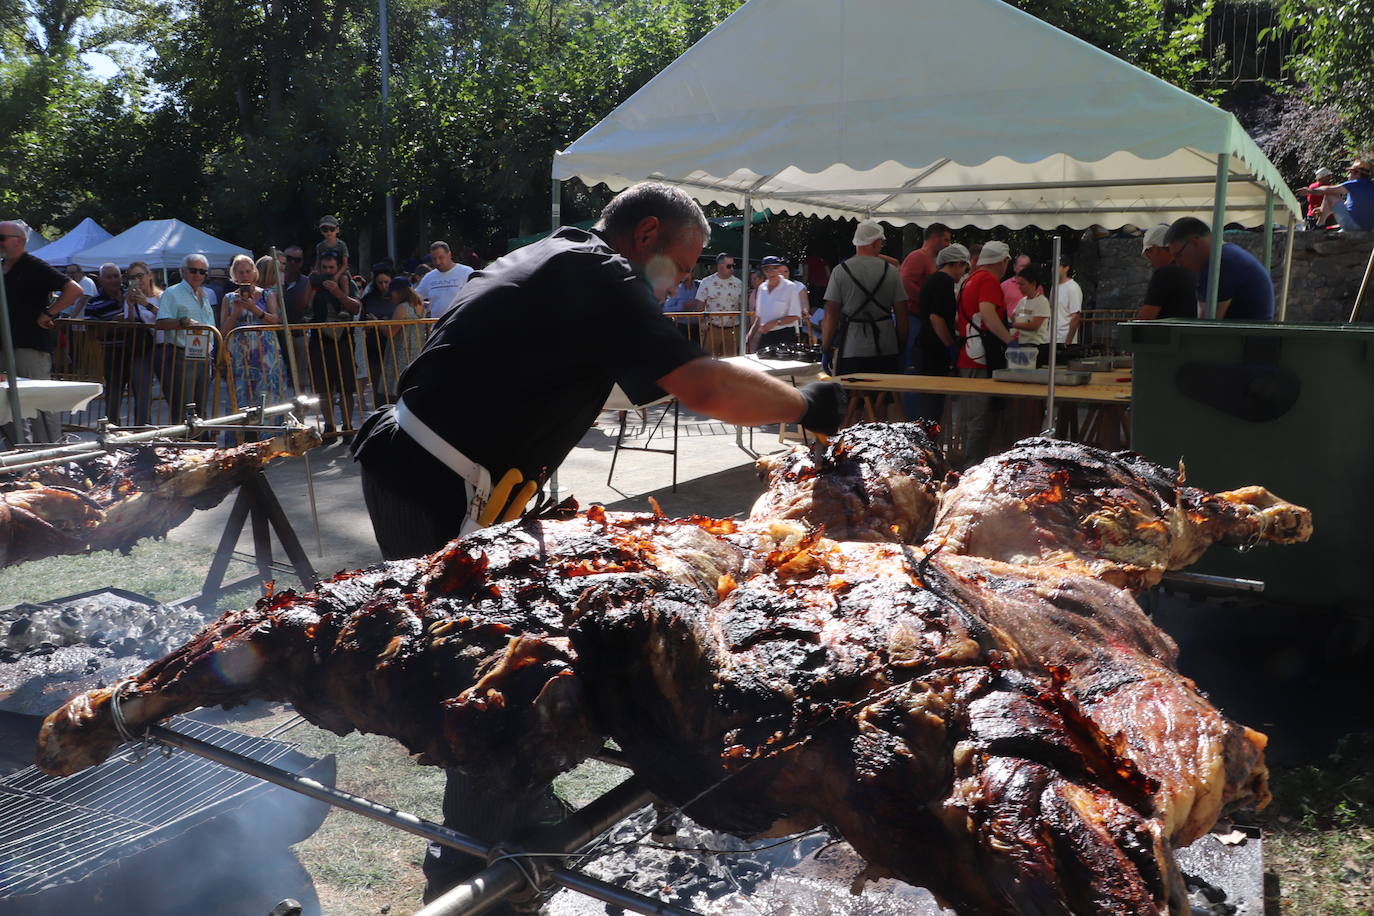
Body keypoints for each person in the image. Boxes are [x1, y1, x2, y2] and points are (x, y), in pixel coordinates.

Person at [348, 181, 845, 909]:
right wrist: (806, 405)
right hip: (434, 478)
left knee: (498, 651)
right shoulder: (599, 273)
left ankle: (512, 812)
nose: (685, 280)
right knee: (486, 669)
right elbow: (702, 387)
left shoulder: (555, 261)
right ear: (646, 235)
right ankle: (469, 869)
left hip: (433, 468)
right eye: (685, 261)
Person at [0, 220, 83, 444]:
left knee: (38, 401)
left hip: (30, 346)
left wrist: (50, 313)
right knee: (5, 404)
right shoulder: (2, 268)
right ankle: (22, 453)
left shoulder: (34, 265)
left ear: (19, 241)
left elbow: (74, 289)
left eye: (1, 238)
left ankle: (51, 455)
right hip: (4, 347)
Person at [955, 240, 1015, 465]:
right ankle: (973, 467)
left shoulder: (968, 280)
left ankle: (967, 463)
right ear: (1003, 260)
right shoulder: (989, 280)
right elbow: (988, 314)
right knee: (981, 417)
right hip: (981, 356)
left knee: (970, 416)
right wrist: (1010, 340)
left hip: (966, 353)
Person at [822, 220, 907, 374]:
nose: (881, 247)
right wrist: (901, 345)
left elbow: (830, 314)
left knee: (853, 396)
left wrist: (825, 348)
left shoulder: (840, 271)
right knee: (885, 396)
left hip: (852, 347)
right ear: (875, 243)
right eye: (881, 243)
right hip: (886, 346)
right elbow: (902, 314)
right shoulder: (892, 272)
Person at [220, 255, 287, 430]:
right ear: (234, 274)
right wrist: (236, 312)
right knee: (241, 396)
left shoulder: (267, 294)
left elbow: (276, 321)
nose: (244, 275)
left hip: (266, 355)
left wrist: (254, 309)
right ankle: (242, 440)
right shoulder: (228, 298)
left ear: (254, 272)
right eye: (240, 272)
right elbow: (223, 331)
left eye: (248, 271)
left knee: (268, 396)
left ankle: (272, 438)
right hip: (240, 357)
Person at [1164, 217, 1274, 321]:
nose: (1178, 264)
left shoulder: (1220, 265)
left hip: (1246, 339)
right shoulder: (1228, 256)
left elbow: (1204, 327)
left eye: (1178, 255)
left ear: (1194, 242)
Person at [86, 262, 156, 426]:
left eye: (116, 276)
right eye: (108, 277)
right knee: (114, 394)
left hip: (139, 351)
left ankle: (143, 430)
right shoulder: (93, 302)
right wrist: (113, 323)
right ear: (101, 280)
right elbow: (92, 333)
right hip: (113, 353)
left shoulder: (133, 295)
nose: (113, 280)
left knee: (142, 393)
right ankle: (112, 431)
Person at [301, 249, 361, 435]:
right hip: (319, 341)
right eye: (324, 267)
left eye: (331, 267)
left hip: (343, 340)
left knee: (346, 386)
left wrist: (339, 294)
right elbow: (302, 307)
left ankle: (348, 425)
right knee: (323, 387)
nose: (328, 271)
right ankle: (329, 425)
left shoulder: (346, 282)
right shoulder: (314, 282)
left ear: (338, 268)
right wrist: (311, 285)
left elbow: (356, 307)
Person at [154, 254, 218, 427]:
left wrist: (211, 354)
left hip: (202, 355)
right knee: (183, 409)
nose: (198, 275)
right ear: (183, 271)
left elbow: (209, 327)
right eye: (193, 270)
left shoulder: (204, 294)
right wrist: (182, 322)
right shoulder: (172, 292)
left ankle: (201, 448)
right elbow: (160, 323)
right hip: (180, 355)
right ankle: (181, 448)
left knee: (201, 409)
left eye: (202, 271)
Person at [911, 243, 970, 423]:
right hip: (933, 351)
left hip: (925, 348)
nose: (963, 274)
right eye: (964, 268)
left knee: (928, 406)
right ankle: (928, 445)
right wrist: (950, 345)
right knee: (932, 409)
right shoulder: (944, 282)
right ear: (957, 263)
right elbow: (937, 318)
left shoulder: (933, 280)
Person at [899, 223, 951, 375]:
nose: (948, 245)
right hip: (915, 317)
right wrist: (926, 301)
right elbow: (906, 282)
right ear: (934, 238)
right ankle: (910, 396)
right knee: (914, 359)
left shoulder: (931, 259)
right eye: (946, 240)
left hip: (922, 317)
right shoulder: (917, 256)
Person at [125, 261, 168, 422]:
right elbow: (129, 324)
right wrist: (130, 306)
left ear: (150, 276)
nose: (137, 280)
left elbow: (166, 318)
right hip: (142, 349)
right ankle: (142, 435)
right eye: (132, 277)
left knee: (172, 392)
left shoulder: (163, 296)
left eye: (140, 275)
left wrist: (146, 304)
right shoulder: (130, 298)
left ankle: (179, 434)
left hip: (164, 348)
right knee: (142, 395)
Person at [378, 275, 426, 403]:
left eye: (392, 293)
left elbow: (390, 333)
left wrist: (379, 323)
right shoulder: (419, 305)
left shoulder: (402, 307)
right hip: (416, 352)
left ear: (398, 292)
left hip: (401, 354)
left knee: (397, 390)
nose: (391, 297)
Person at [1135, 224, 1195, 320]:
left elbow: (1145, 319)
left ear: (1156, 248)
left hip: (1171, 333)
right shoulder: (1192, 268)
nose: (1149, 259)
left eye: (1148, 252)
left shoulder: (1165, 273)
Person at [751, 256, 806, 351]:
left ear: (779, 269)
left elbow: (796, 315)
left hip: (785, 335)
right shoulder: (762, 288)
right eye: (767, 269)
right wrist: (750, 335)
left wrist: (775, 323)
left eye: (775, 268)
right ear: (763, 271)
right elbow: (759, 316)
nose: (771, 272)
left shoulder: (790, 287)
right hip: (766, 335)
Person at [693, 252, 742, 356]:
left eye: (733, 265)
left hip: (733, 329)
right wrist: (702, 322)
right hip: (712, 328)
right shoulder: (706, 282)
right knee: (708, 360)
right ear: (720, 266)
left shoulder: (739, 283)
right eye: (729, 266)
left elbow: (743, 306)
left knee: (732, 361)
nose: (732, 268)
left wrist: (744, 328)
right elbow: (700, 304)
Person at [360, 264, 397, 403]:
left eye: (386, 282)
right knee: (377, 382)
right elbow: (362, 319)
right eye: (380, 282)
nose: (383, 285)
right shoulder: (369, 298)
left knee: (394, 383)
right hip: (374, 345)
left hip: (393, 345)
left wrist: (380, 321)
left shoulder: (397, 297)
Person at [1307, 159, 1374, 232]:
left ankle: (1319, 226)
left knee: (1330, 194)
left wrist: (1309, 191)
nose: (1348, 175)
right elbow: (1350, 206)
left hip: (1353, 225)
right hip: (1367, 228)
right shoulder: (1370, 186)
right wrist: (1322, 208)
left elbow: (1328, 189)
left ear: (1356, 173)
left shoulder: (1355, 184)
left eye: (1350, 172)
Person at [279, 245, 312, 392]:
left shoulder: (306, 282)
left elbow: (310, 308)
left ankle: (300, 411)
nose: (292, 263)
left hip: (298, 335)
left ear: (301, 262)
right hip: (276, 336)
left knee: (300, 378)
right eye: (289, 259)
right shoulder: (274, 280)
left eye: (296, 260)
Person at [414, 241, 474, 321]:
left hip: (461, 324)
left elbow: (476, 296)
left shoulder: (467, 272)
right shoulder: (429, 277)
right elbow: (415, 297)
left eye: (441, 257)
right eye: (434, 259)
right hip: (438, 327)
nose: (437, 262)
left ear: (449, 254)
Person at [1009, 263, 1053, 362]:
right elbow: (1013, 316)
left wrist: (1014, 325)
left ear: (1033, 283)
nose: (1019, 287)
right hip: (1021, 345)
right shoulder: (1022, 301)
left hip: (1035, 346)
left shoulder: (1042, 301)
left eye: (1022, 284)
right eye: (1018, 284)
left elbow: (1034, 326)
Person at [662, 273, 701, 343]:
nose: (684, 275)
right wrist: (682, 307)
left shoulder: (700, 286)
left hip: (697, 327)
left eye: (687, 272)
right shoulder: (676, 289)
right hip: (681, 327)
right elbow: (665, 309)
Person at [1053, 258, 1083, 345]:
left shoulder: (1073, 288)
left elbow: (1075, 316)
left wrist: (1068, 342)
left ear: (1066, 268)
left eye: (1057, 266)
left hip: (1063, 340)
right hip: (1051, 339)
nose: (1053, 269)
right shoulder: (1054, 287)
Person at [1000, 253, 1032, 318]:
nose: (1025, 269)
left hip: (1031, 325)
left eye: (1027, 266)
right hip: (1010, 325)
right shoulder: (1004, 286)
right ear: (1015, 267)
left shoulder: (1037, 287)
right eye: (1022, 266)